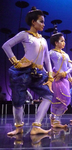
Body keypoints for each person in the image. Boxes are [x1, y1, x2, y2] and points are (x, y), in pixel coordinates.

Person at [2, 6, 54, 135]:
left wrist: (50, 76)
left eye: (44, 21)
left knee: (48, 96)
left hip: (39, 73)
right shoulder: (24, 35)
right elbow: (6, 45)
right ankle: (18, 127)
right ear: (33, 22)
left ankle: (36, 126)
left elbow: (47, 59)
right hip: (23, 72)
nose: (43, 24)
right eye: (41, 21)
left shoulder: (43, 40)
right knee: (18, 100)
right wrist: (15, 61)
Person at [49, 27, 72, 128]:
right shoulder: (51, 53)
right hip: (57, 80)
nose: (64, 43)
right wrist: (50, 73)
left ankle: (55, 119)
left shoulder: (66, 55)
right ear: (56, 42)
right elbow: (46, 63)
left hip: (64, 79)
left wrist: (64, 73)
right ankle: (55, 121)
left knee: (66, 99)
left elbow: (71, 67)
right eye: (61, 41)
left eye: (64, 41)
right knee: (58, 99)